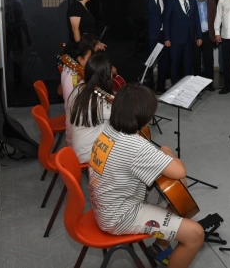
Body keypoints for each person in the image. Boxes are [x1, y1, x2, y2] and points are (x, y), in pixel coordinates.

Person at [88, 83, 204, 268]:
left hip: (108, 204)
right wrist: (167, 151)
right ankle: (171, 238)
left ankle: (160, 246)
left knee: (178, 187)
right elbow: (179, 170)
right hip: (119, 216)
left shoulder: (109, 130)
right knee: (195, 234)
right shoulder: (134, 145)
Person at [66, 53, 113, 163]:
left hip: (79, 149)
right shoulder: (101, 103)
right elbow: (129, 116)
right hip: (89, 155)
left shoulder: (79, 88)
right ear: (107, 76)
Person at [162, 0, 203, 85]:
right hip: (175, 40)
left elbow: (197, 20)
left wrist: (199, 36)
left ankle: (186, 87)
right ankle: (175, 88)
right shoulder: (171, 2)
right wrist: (166, 38)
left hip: (189, 40)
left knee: (188, 65)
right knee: (175, 65)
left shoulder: (193, 1)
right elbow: (166, 22)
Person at [146, 0, 170, 93]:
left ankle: (161, 86)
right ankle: (149, 86)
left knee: (163, 62)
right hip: (151, 35)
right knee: (150, 62)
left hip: (163, 35)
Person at [192, 0, 217, 91]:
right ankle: (197, 85)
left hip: (208, 35)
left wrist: (216, 34)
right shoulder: (191, 1)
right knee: (196, 61)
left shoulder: (212, 2)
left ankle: (209, 84)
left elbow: (216, 18)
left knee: (209, 61)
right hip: (195, 36)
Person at [60, 40, 92, 115]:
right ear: (79, 59)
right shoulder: (74, 76)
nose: (91, 61)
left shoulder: (67, 70)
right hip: (76, 116)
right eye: (89, 58)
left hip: (71, 113)